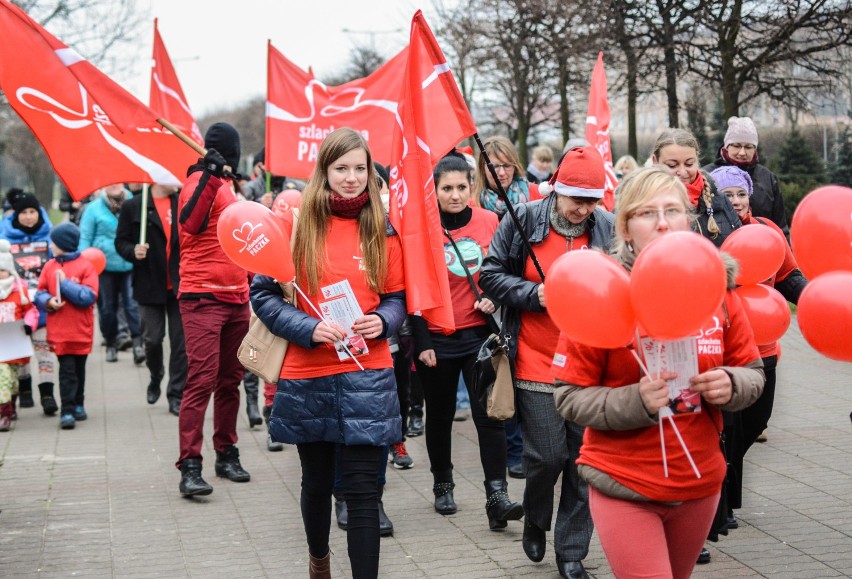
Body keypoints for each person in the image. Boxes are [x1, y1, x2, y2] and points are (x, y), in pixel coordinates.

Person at [551, 166, 765, 579]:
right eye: (648, 213)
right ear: (626, 228)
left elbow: (752, 371)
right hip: (625, 485)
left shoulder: (715, 287)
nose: (664, 222)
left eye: (673, 210)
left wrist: (731, 384)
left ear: (690, 218)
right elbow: (569, 395)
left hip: (700, 482)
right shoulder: (601, 290)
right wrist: (635, 401)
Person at [251, 128, 406, 578]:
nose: (352, 177)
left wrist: (385, 321)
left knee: (363, 493)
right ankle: (319, 560)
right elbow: (264, 296)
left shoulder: (383, 228)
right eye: (342, 168)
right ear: (324, 171)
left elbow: (397, 297)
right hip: (308, 373)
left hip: (368, 372)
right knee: (317, 483)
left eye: (360, 168)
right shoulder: (295, 224)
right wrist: (311, 327)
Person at [479, 146, 615, 579]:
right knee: (548, 457)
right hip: (536, 358)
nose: (582, 210)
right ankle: (537, 517)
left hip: (589, 362)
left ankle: (571, 551)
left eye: (591, 201)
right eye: (575, 199)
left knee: (584, 462)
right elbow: (490, 274)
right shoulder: (523, 219)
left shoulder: (607, 228)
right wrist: (533, 295)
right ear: (556, 189)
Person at [410, 153, 523, 529]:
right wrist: (422, 339)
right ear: (435, 191)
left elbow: (507, 269)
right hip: (437, 339)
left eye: (461, 187)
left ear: (471, 187)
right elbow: (412, 286)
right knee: (439, 417)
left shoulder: (491, 220)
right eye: (447, 189)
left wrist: (497, 294)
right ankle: (443, 483)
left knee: (489, 416)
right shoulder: (422, 228)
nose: (455, 195)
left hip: (481, 335)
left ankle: (497, 496)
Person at [711, 165, 807, 526]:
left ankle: (724, 483)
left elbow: (787, 275)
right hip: (721, 348)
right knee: (727, 428)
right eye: (727, 194)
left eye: (740, 193)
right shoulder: (709, 233)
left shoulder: (766, 231)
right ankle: (721, 504)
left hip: (765, 346)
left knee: (755, 422)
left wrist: (810, 297)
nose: (735, 201)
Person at [175, 122, 252, 497]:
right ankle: (190, 464)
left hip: (237, 297)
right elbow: (189, 223)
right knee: (201, 381)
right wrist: (206, 172)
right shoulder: (197, 181)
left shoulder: (230, 186)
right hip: (202, 297)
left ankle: (227, 452)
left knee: (230, 381)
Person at [115, 184, 186, 416]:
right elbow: (121, 241)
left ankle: (176, 394)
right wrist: (132, 251)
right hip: (149, 284)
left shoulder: (183, 201)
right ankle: (156, 375)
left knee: (180, 344)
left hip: (180, 284)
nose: (177, 180)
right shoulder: (134, 205)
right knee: (153, 340)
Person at [34, 223, 99, 430]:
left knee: (79, 369)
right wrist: (48, 301)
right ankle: (67, 409)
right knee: (67, 370)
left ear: (64, 244)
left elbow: (87, 297)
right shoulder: (49, 266)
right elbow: (40, 292)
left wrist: (65, 284)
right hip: (60, 330)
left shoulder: (86, 266)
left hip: (81, 329)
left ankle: (79, 402)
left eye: (54, 242)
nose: (51, 246)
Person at [0, 189, 57, 415]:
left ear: (39, 213)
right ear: (16, 216)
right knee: (20, 354)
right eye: (24, 212)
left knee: (45, 351)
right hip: (16, 309)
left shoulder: (49, 239)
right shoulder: (5, 243)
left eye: (33, 211)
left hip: (42, 305)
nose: (28, 216)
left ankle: (47, 394)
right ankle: (24, 391)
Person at [79, 184, 145, 365]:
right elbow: (85, 237)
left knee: (132, 305)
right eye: (109, 183)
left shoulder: (136, 203)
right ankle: (110, 343)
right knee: (108, 307)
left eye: (117, 182)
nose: (114, 185)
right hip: (104, 267)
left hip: (130, 262)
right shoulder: (93, 209)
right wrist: (82, 266)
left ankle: (138, 344)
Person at [651, 128, 741, 247]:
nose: (682, 172)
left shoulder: (720, 200)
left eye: (689, 164)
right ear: (655, 161)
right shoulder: (637, 203)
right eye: (672, 165)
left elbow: (738, 246)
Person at [704, 116, 789, 238]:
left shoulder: (768, 178)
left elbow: (781, 226)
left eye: (748, 147)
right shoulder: (707, 175)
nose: (742, 152)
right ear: (726, 147)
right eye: (737, 146)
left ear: (755, 149)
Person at [0, 240, 39, 430]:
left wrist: (29, 324)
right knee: (2, 378)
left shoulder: (19, 289)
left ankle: (12, 404)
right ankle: (3, 413)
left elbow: (30, 311)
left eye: (2, 270)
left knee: (14, 380)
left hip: (15, 344)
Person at [474, 135, 540, 217]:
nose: (502, 173)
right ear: (482, 168)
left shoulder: (537, 194)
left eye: (507, 165)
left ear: (515, 166)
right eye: (495, 167)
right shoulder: (473, 205)